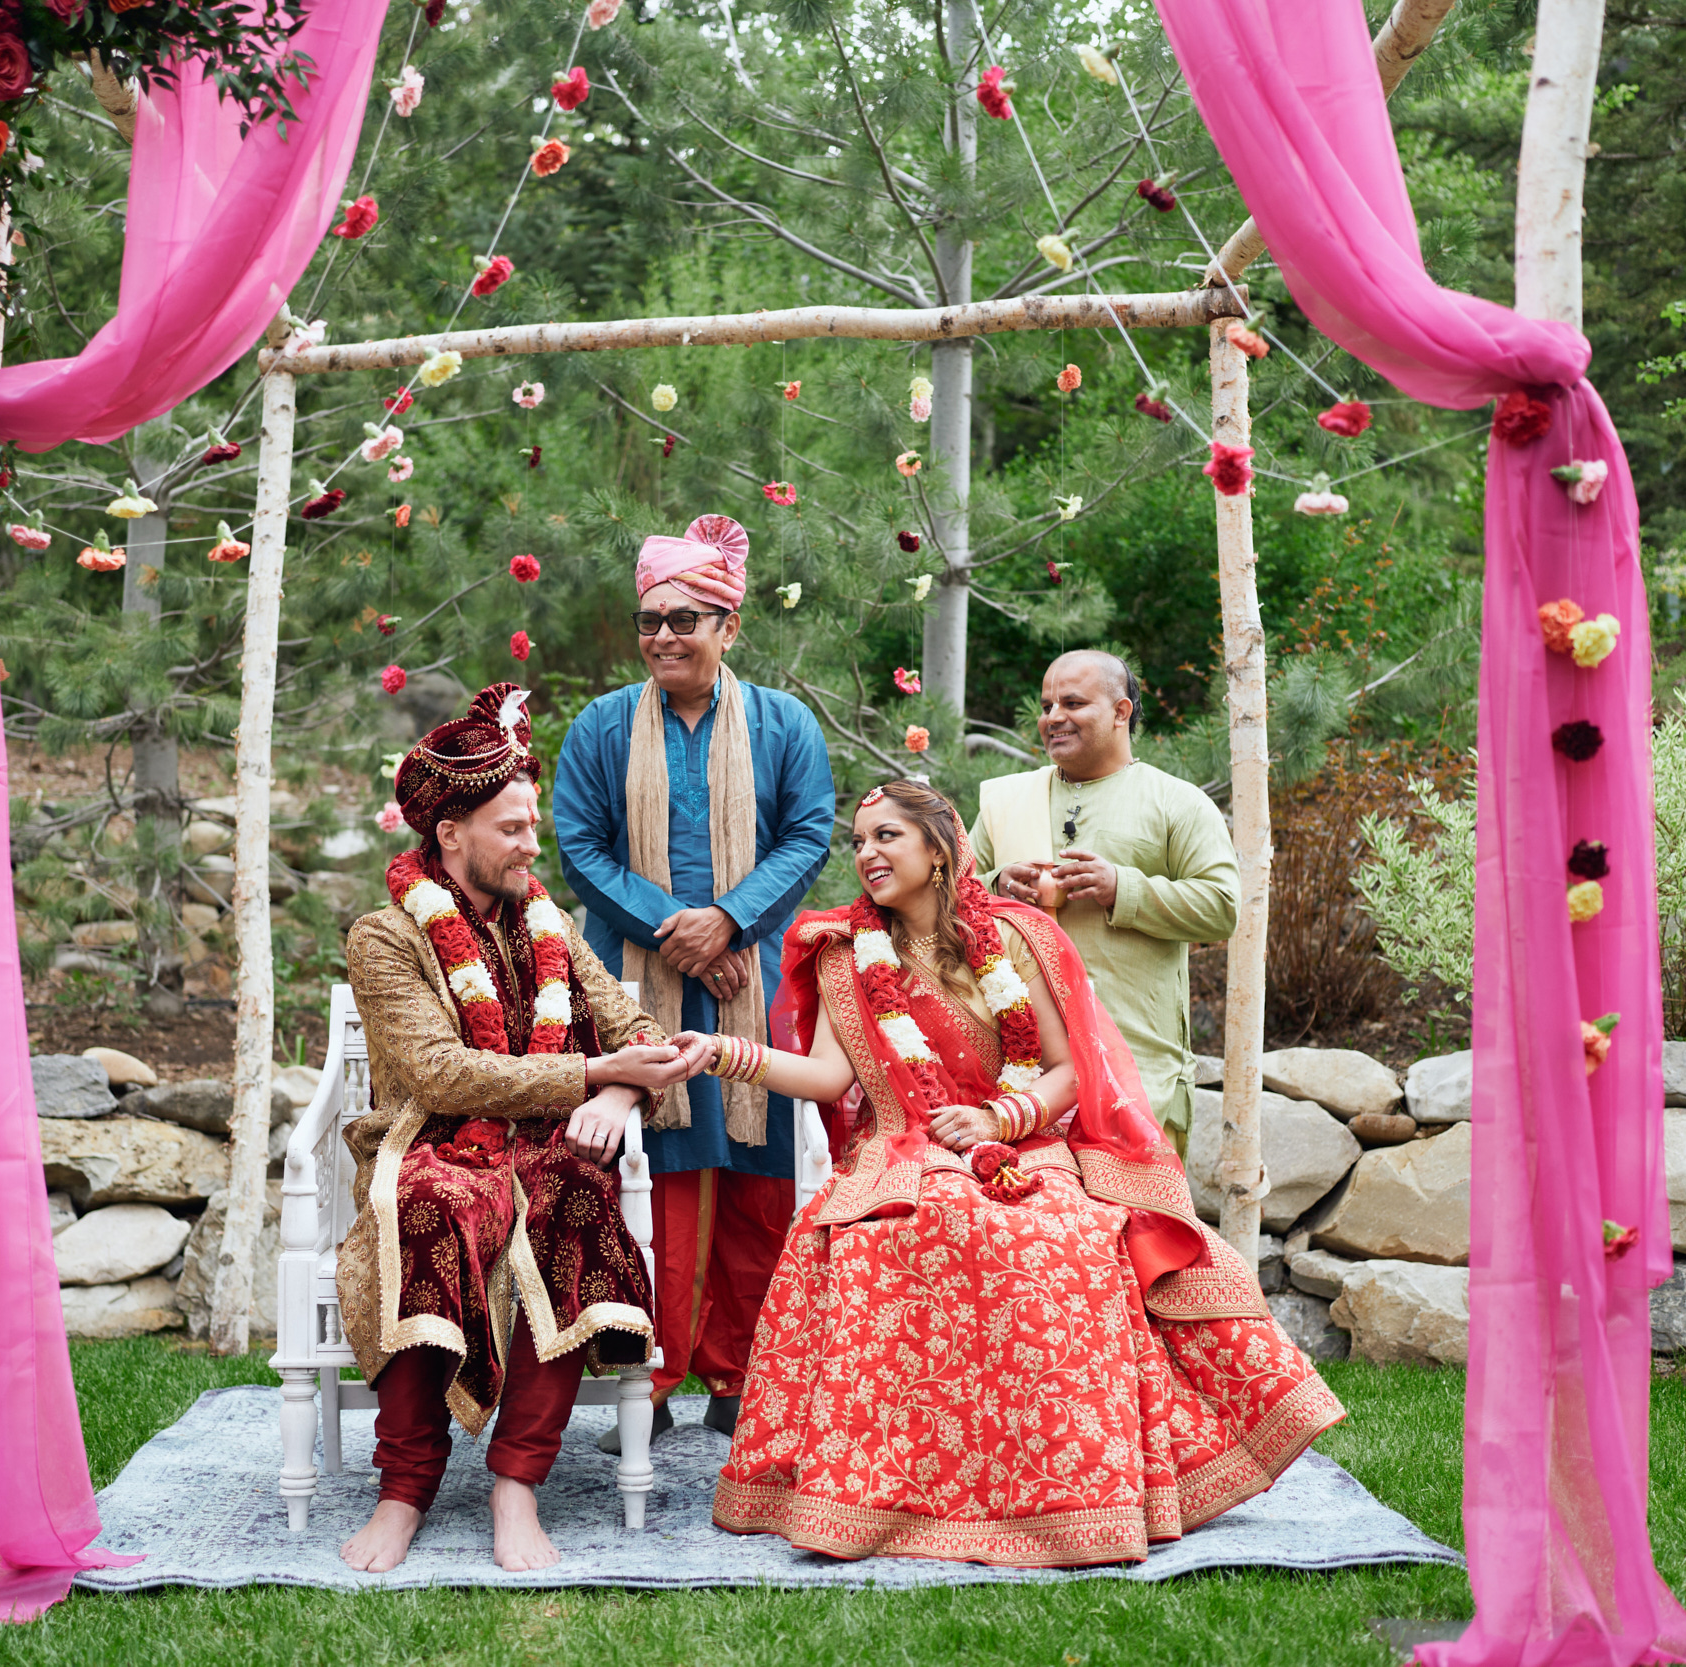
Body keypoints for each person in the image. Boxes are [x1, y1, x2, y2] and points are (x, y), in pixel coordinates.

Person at [676, 781, 1342, 1567]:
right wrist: (722, 1052)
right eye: (858, 842)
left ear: (938, 849)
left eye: (887, 836)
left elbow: (1064, 1069)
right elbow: (827, 1077)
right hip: (903, 1146)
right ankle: (899, 1491)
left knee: (1062, 1234)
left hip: (1022, 1140)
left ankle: (1064, 1489)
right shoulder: (846, 953)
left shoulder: (1014, 936)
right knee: (917, 1223)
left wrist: (999, 1120)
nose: (867, 854)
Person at [336, 682, 697, 1574]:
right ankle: (404, 1488)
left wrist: (618, 1098)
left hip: (546, 1146)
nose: (534, 844)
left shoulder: (551, 926)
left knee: (576, 1192)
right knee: (427, 1205)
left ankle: (517, 1484)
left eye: (533, 824)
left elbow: (637, 1030)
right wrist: (593, 1072)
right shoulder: (385, 937)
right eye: (512, 828)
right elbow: (439, 1072)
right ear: (450, 833)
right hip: (432, 1139)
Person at [554, 513, 837, 1448]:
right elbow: (580, 846)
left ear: (729, 627)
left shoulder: (784, 723)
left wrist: (733, 918)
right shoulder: (602, 726)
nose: (664, 636)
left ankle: (742, 1373)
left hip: (755, 976)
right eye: (650, 620)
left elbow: (809, 831)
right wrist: (680, 933)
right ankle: (650, 1374)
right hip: (635, 980)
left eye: (685, 619)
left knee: (759, 1176)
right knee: (656, 1176)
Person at [969, 649, 1238, 1155]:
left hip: (1135, 1063)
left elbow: (1222, 906)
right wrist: (998, 884)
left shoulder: (1176, 801)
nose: (1053, 718)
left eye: (1072, 703)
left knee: (1138, 1207)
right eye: (1047, 706)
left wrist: (1123, 889)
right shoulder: (1007, 802)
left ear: (1121, 711)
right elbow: (950, 899)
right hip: (1015, 1068)